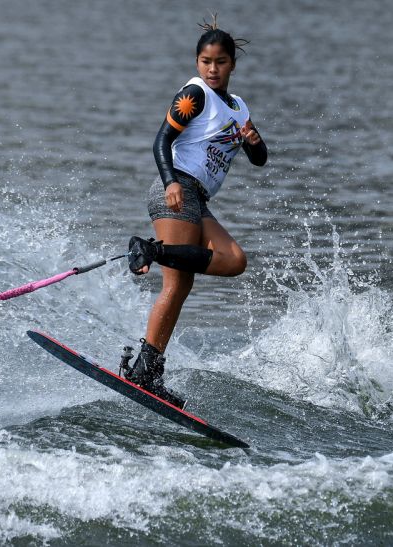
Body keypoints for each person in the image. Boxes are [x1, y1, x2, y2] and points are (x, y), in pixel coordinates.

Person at [122, 17, 268, 408]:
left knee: (234, 260)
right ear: (198, 62)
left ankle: (152, 253)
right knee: (176, 286)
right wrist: (170, 182)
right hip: (176, 189)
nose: (212, 69)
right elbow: (162, 140)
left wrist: (254, 141)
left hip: (197, 199)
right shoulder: (195, 94)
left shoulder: (238, 108)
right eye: (206, 61)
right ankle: (145, 373)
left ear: (232, 64)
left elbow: (259, 160)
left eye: (220, 62)